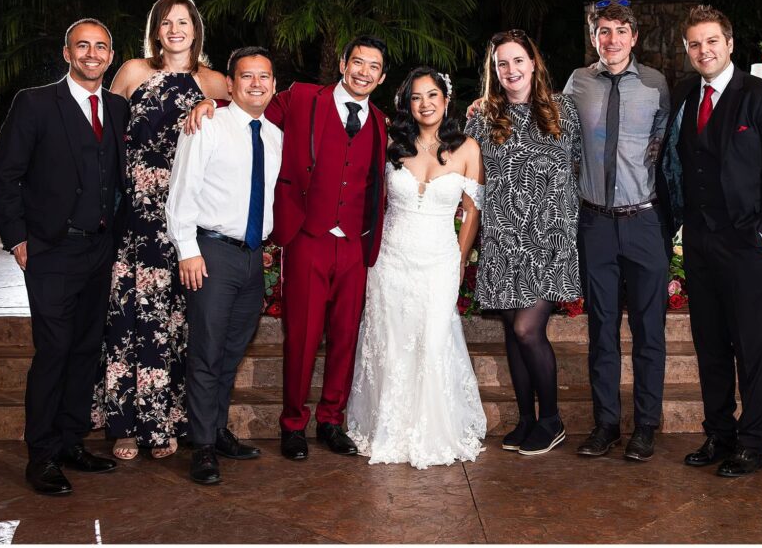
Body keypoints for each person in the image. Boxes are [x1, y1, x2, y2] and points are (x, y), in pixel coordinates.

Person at [186, 34, 390, 461]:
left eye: (373, 67)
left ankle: (331, 420)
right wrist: (211, 105)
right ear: (342, 63)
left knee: (346, 337)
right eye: (357, 62)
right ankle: (293, 424)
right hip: (307, 240)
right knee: (301, 336)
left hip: (353, 245)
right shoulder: (300, 99)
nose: (363, 72)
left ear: (382, 76)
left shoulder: (381, 122)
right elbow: (249, 110)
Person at [657, 5, 762, 477]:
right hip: (698, 243)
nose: (704, 51)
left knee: (751, 346)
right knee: (710, 345)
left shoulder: (761, 97)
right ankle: (719, 434)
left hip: (747, 245)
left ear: (730, 43)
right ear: (687, 50)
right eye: (695, 44)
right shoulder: (682, 95)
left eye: (712, 41)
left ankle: (754, 443)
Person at [0, 19, 127, 495]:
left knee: (87, 350)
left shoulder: (116, 107)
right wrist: (17, 238)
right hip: (50, 249)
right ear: (67, 53)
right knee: (53, 351)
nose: (92, 54)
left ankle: (71, 441)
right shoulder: (34, 103)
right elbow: (6, 174)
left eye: (101, 47)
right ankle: (42, 455)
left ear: (111, 55)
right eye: (83, 46)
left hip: (99, 248)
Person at [93, 0, 229, 461]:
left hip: (190, 220)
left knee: (179, 323)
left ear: (196, 29)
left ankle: (167, 420)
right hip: (139, 221)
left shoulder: (216, 82)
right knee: (133, 319)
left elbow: (247, 127)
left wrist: (215, 108)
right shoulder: (133, 72)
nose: (175, 29)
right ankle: (127, 426)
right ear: (155, 30)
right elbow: (102, 140)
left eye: (183, 21)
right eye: (166, 22)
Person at [346, 66, 487, 469]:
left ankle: (434, 430)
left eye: (432, 96)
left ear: (446, 100)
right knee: (391, 341)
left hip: (440, 260)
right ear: (407, 104)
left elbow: (471, 212)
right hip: (391, 260)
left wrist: (460, 261)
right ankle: (388, 427)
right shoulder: (392, 142)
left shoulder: (468, 149)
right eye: (416, 97)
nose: (425, 104)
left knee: (433, 340)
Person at [165, 46, 282, 484]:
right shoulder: (207, 124)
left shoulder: (275, 137)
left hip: (253, 257)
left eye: (264, 77)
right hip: (211, 253)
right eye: (246, 76)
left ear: (273, 85)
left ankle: (215, 428)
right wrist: (186, 249)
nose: (256, 83)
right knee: (207, 350)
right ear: (230, 84)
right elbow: (182, 188)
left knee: (233, 349)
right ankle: (204, 447)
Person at [464, 29, 582, 456]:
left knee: (526, 329)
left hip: (550, 242)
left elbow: (579, 171)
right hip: (503, 241)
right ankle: (527, 419)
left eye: (518, 60)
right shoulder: (480, 117)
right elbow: (470, 180)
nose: (511, 70)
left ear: (534, 63)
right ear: (494, 72)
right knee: (513, 337)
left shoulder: (564, 110)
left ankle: (551, 420)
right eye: (502, 64)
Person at [562, 1, 670, 462]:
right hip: (596, 223)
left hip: (644, 220)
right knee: (602, 328)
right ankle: (606, 423)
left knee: (650, 331)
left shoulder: (655, 85)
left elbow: (666, 146)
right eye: (603, 31)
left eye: (620, 31)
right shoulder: (577, 83)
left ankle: (645, 426)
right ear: (593, 37)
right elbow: (553, 133)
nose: (612, 39)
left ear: (634, 37)